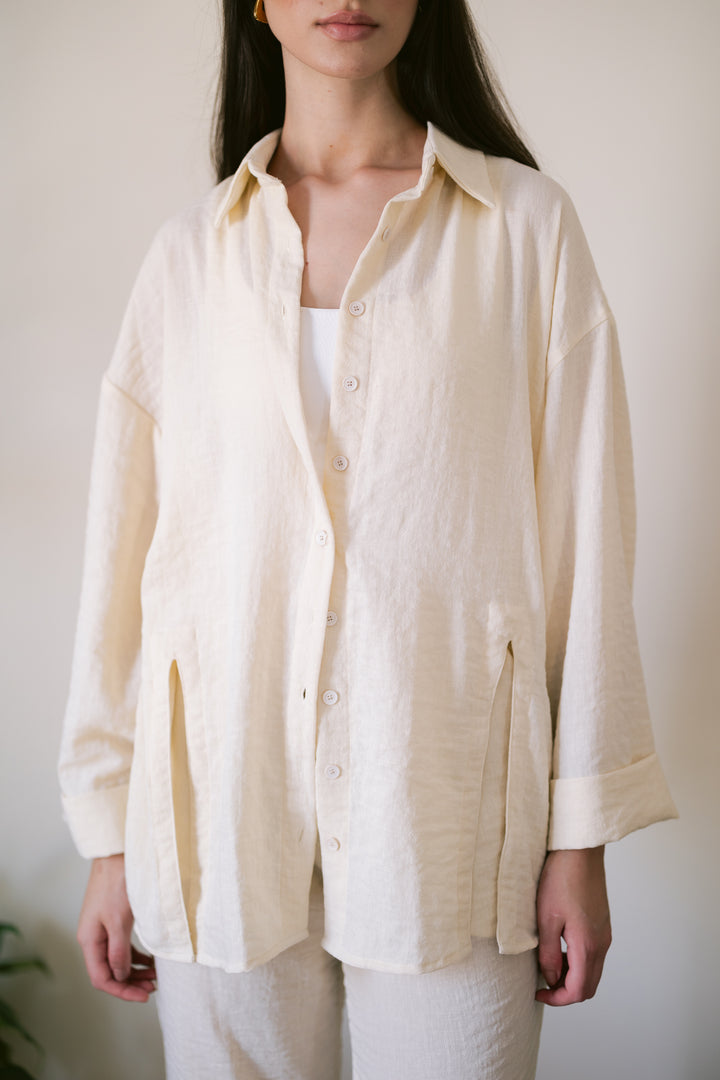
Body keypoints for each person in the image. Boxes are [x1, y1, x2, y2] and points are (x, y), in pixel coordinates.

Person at [58, 1, 678, 1077]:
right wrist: (110, 836)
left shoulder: (525, 231)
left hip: (448, 814)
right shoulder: (188, 259)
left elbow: (586, 550)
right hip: (219, 818)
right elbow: (123, 563)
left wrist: (580, 839)